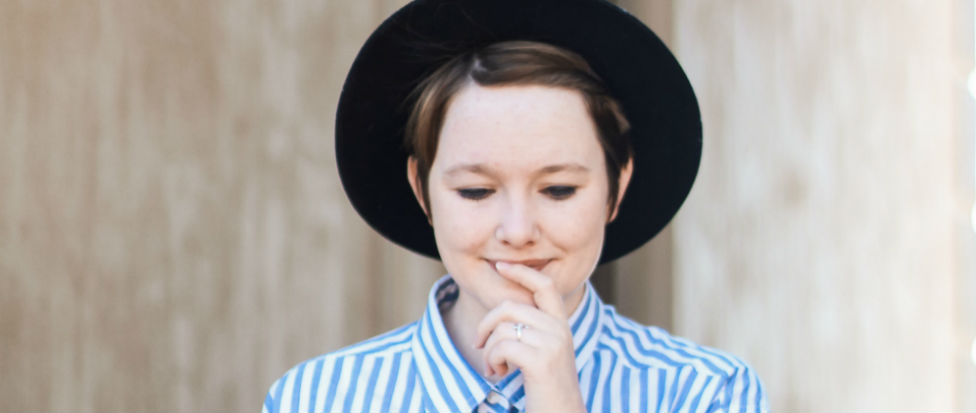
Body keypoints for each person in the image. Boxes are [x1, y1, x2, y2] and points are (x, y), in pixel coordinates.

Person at [264, 0, 767, 412]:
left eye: (559, 189)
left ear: (616, 186)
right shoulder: (316, 399)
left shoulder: (705, 393)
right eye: (476, 192)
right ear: (422, 189)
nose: (518, 230)